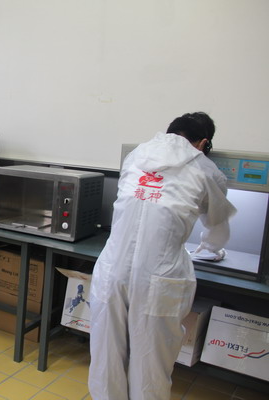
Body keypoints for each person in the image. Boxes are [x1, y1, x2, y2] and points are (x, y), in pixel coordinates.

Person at [88, 112, 236, 400]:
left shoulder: (136, 155)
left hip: (112, 270)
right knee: (151, 362)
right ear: (203, 143)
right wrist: (212, 249)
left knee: (106, 353)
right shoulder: (206, 170)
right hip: (159, 277)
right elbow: (217, 229)